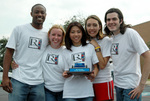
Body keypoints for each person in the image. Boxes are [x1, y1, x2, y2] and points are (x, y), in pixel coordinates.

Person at [2, 4, 48, 101]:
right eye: (36, 12)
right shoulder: (19, 29)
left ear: (45, 15)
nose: (39, 14)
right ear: (31, 14)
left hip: (39, 82)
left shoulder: (48, 34)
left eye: (42, 12)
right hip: (19, 79)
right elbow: (9, 52)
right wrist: (5, 77)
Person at [104, 8, 150, 101]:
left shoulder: (130, 33)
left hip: (131, 87)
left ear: (121, 20)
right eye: (108, 20)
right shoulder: (112, 38)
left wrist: (141, 85)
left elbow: (148, 56)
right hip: (118, 85)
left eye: (114, 19)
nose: (111, 22)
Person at [62, 21, 99, 101]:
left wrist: (94, 75)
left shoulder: (90, 47)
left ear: (82, 33)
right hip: (70, 93)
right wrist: (65, 74)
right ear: (69, 34)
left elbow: (96, 67)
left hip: (87, 91)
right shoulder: (65, 51)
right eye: (72, 32)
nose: (76, 34)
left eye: (78, 32)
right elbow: (66, 70)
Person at [85, 15, 114, 101]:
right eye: (89, 25)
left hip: (103, 82)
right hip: (88, 83)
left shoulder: (106, 40)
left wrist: (96, 46)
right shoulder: (85, 42)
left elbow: (102, 65)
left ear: (99, 27)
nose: (91, 28)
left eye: (94, 25)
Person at [41, 24, 66, 101]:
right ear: (49, 35)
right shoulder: (43, 48)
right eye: (53, 34)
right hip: (48, 90)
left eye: (59, 35)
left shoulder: (66, 51)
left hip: (64, 90)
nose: (56, 37)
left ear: (62, 37)